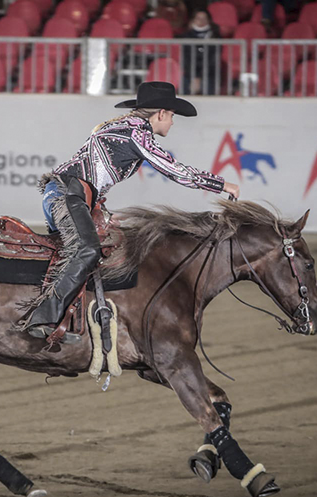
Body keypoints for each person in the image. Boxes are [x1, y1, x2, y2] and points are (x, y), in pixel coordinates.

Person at [23, 82, 240, 340]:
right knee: (87, 249)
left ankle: (68, 317)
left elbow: (91, 173)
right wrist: (221, 184)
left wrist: (100, 211)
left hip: (66, 195)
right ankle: (44, 317)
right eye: (171, 115)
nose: (172, 122)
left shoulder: (119, 125)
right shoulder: (138, 134)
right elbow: (175, 171)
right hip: (69, 196)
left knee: (89, 251)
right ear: (160, 113)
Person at [180, 10, 221, 95]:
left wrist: (201, 76)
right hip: (190, 72)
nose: (201, 21)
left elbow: (213, 58)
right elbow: (187, 58)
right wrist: (194, 76)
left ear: (209, 20)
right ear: (193, 20)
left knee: (209, 82)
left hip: (209, 72)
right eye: (198, 18)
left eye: (204, 18)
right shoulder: (186, 36)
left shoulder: (215, 36)